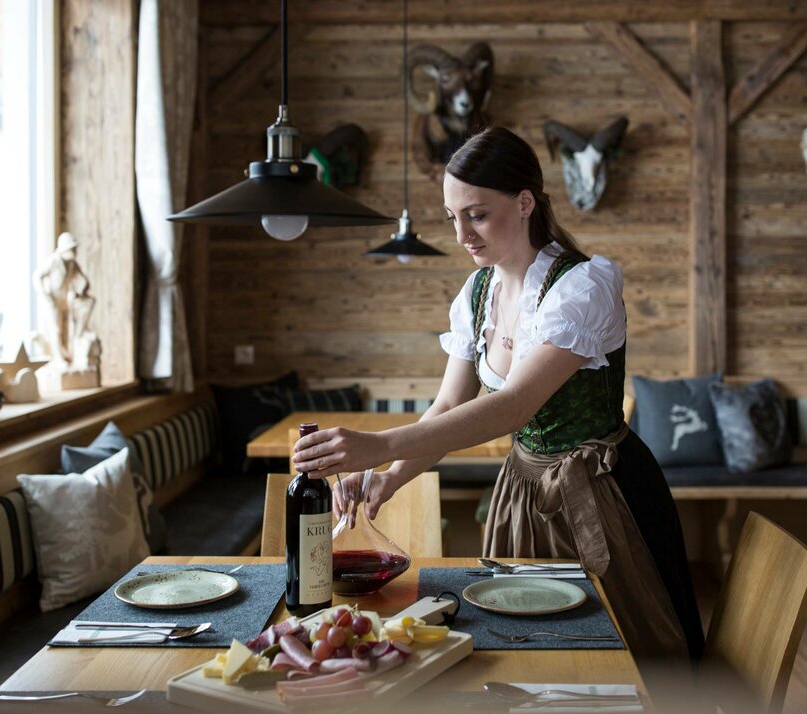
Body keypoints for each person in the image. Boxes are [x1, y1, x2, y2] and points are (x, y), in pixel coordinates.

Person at [293, 126, 704, 661]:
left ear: (526, 202)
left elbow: (513, 406)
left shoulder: (582, 287)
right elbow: (448, 407)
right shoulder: (478, 292)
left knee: (616, 651)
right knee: (522, 647)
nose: (462, 232)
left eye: (477, 213)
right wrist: (388, 477)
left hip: (602, 494)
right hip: (522, 492)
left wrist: (379, 445)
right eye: (452, 216)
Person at [33, 232, 95, 365]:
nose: (75, 251)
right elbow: (37, 276)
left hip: (64, 299)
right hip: (52, 300)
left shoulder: (72, 264)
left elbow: (82, 280)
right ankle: (58, 357)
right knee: (55, 329)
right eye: (72, 248)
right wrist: (43, 294)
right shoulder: (54, 261)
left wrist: (82, 288)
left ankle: (70, 352)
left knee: (68, 326)